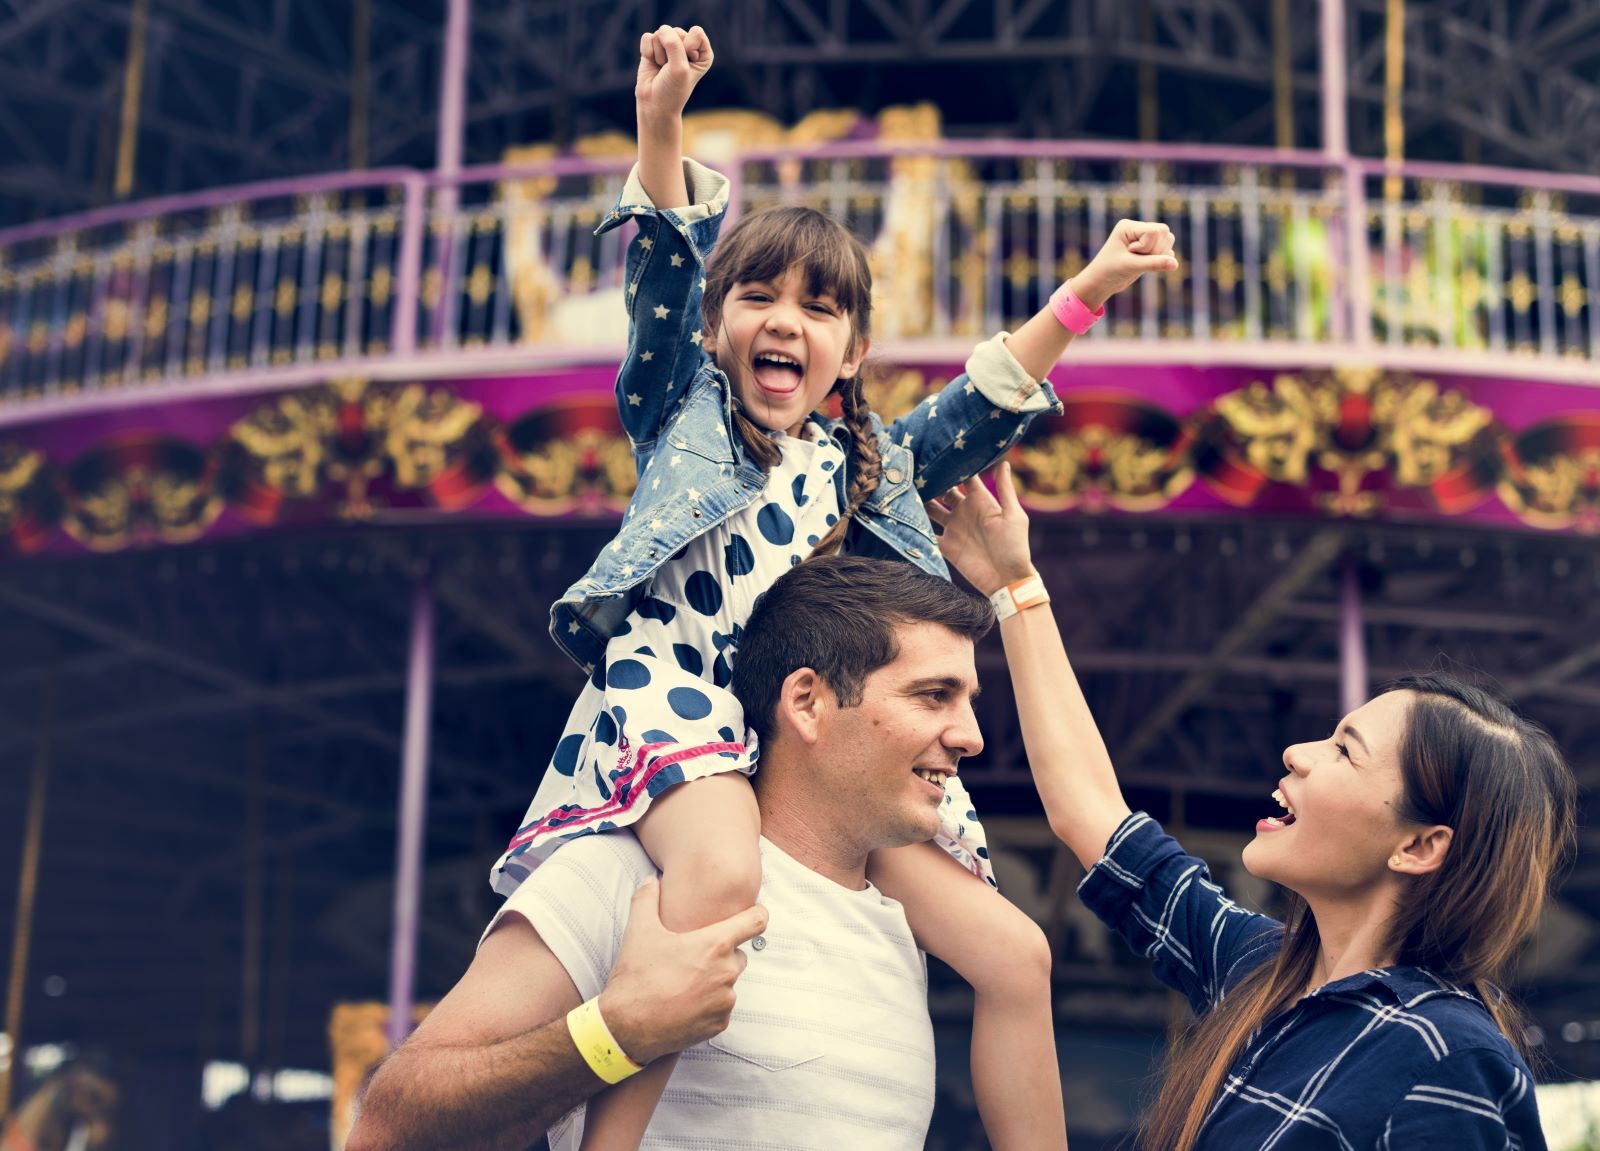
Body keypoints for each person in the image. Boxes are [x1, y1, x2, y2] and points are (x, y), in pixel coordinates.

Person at [485, 21, 1178, 1150]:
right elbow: (663, 260)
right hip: (686, 702)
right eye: (758, 298)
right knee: (712, 875)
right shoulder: (685, 416)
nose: (785, 323)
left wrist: (1088, 288)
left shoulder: (865, 461)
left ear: (850, 351)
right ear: (717, 330)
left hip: (811, 731)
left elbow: (985, 396)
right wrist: (661, 122)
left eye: (818, 310)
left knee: (1016, 951)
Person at [928, 462, 1578, 1151]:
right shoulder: (1264, 972)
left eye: (1344, 749)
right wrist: (1012, 587)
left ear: (1419, 845)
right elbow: (1090, 812)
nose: (1298, 750)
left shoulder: (1448, 1057)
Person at [349, 555, 1005, 1150]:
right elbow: (386, 1129)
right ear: (807, 702)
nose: (970, 736)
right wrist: (613, 1033)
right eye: (933, 695)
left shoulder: (898, 928)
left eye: (968, 700)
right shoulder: (633, 875)